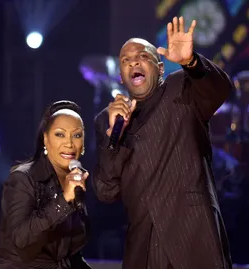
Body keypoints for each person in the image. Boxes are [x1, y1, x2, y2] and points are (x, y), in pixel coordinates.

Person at [93, 16, 233, 268]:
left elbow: (220, 89)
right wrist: (114, 137)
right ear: (122, 78)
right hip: (143, 247)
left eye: (142, 56)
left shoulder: (181, 86)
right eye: (125, 60)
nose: (133, 61)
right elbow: (105, 191)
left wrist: (191, 63)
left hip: (194, 237)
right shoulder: (108, 119)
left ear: (159, 68)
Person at [0, 100, 91, 269]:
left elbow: (69, 255)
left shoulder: (76, 180)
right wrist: (64, 201)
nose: (69, 143)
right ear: (45, 139)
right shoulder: (22, 178)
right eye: (60, 134)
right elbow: (22, 238)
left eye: (77, 135)